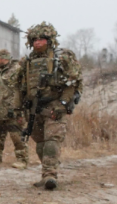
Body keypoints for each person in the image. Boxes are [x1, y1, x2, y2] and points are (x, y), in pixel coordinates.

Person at [16, 22, 82, 190]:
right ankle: (46, 173)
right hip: (34, 108)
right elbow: (20, 86)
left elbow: (73, 83)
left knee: (52, 140)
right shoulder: (27, 61)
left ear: (50, 40)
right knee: (40, 143)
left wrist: (62, 104)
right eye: (35, 40)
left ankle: (50, 175)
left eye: (42, 39)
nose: (38, 42)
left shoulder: (62, 57)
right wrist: (18, 110)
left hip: (54, 106)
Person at [0, 49, 28, 168]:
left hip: (13, 111)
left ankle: (22, 160)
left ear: (4, 59)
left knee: (17, 136)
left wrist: (17, 108)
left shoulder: (17, 71)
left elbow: (21, 90)